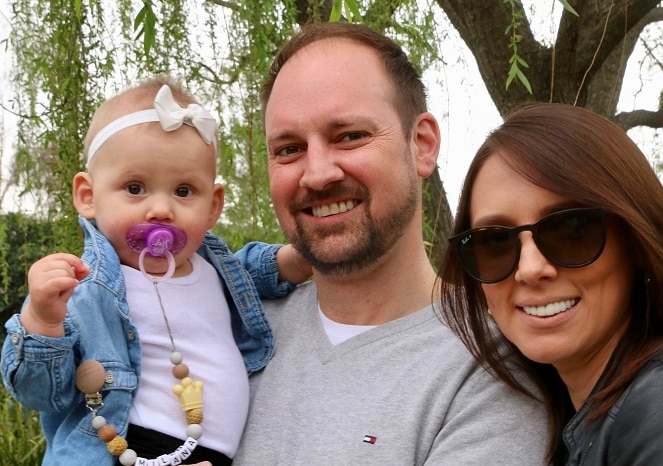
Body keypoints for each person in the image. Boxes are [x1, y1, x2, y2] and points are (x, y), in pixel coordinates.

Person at [232, 21, 548, 465]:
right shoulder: (232, 332)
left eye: (350, 136)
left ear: (421, 144)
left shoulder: (490, 367)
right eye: (289, 149)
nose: (318, 173)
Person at [1, 76, 310, 466]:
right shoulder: (81, 287)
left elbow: (252, 272)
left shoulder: (216, 267)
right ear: (88, 196)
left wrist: (299, 260)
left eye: (183, 191)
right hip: (129, 449)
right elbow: (40, 395)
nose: (161, 209)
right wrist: (42, 320)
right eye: (135, 188)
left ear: (213, 206)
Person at [439, 102, 663, 465]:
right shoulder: (568, 421)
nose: (530, 269)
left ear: (638, 242)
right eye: (495, 242)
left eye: (571, 229)